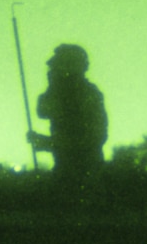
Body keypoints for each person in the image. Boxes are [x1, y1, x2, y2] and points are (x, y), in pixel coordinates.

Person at [27, 44, 108, 183]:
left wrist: (49, 143)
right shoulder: (61, 94)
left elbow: (94, 139)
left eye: (56, 66)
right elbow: (43, 110)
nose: (50, 71)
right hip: (65, 171)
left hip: (84, 175)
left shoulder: (87, 94)